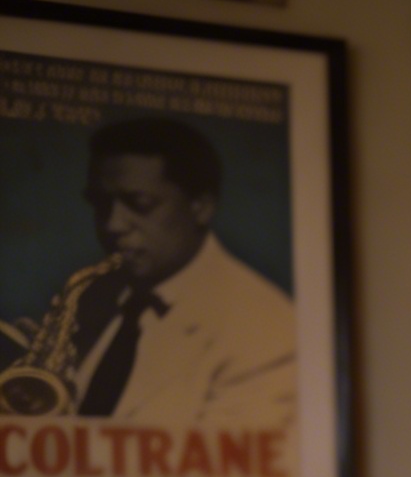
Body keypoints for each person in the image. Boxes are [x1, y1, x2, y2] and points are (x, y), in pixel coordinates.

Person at [62, 116, 295, 430]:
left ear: (201, 207)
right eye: (101, 203)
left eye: (139, 203)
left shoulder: (265, 329)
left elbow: (215, 476)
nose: (112, 225)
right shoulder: (95, 297)